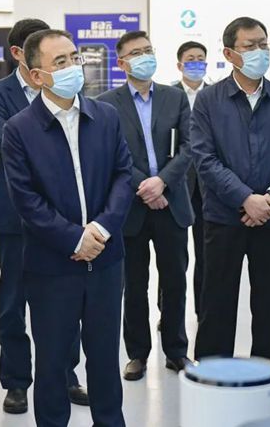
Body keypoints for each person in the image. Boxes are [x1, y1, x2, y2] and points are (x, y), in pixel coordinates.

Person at [1, 29, 132, 427]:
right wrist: (74, 238)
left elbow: (124, 175)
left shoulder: (105, 116)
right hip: (52, 266)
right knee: (53, 362)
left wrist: (102, 230)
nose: (72, 67)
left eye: (74, 58)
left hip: (106, 261)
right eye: (60, 62)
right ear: (36, 75)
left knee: (105, 359)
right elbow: (26, 200)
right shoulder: (19, 129)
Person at [0, 19, 88, 414]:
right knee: (13, 302)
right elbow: (10, 144)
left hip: (64, 217)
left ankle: (66, 374)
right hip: (16, 214)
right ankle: (16, 381)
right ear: (19, 54)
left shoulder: (70, 89)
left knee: (66, 300)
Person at [191, 16, 270, 365]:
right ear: (230, 53)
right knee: (216, 303)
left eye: (263, 44)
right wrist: (244, 198)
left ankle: (267, 371)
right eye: (250, 45)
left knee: (269, 303)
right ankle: (211, 373)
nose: (259, 51)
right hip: (223, 219)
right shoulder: (209, 100)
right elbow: (205, 159)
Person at [99, 31, 193, 381]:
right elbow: (112, 154)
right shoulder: (107, 103)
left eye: (148, 50)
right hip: (131, 208)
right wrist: (146, 185)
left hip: (172, 202)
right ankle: (137, 353)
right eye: (136, 53)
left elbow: (190, 146)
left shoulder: (175, 97)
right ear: (122, 63)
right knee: (134, 285)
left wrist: (163, 182)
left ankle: (176, 351)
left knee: (175, 282)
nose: (145, 57)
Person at [171, 40, 210, 318]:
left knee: (207, 253)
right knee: (174, 255)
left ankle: (203, 310)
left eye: (200, 58)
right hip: (178, 183)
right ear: (180, 64)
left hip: (209, 186)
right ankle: (169, 313)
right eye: (190, 59)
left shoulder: (216, 94)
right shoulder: (168, 96)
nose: (196, 63)